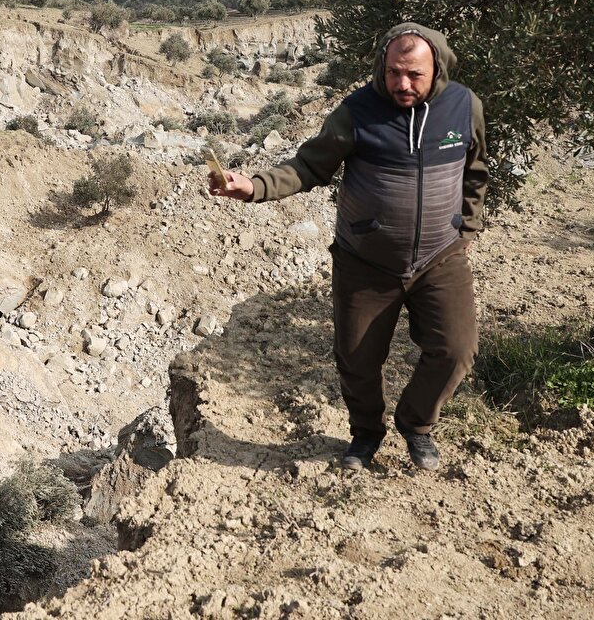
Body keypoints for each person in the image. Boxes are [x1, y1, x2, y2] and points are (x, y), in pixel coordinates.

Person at [209, 23, 488, 471]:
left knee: (456, 349)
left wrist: (466, 229)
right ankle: (365, 434)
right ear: (383, 64)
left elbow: (475, 171)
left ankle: (416, 425)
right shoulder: (358, 111)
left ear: (437, 68)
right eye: (395, 72)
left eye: (414, 74)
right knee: (357, 358)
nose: (402, 84)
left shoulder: (463, 105)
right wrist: (254, 186)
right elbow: (308, 166)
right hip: (366, 261)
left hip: (440, 256)